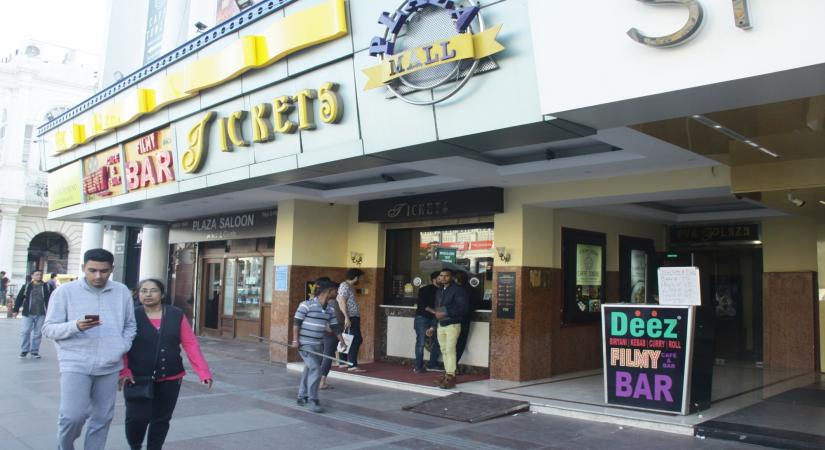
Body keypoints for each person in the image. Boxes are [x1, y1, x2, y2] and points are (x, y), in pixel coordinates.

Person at [42, 248, 137, 450]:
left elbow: (130, 325)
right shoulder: (64, 292)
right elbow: (48, 329)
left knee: (103, 417)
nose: (98, 276)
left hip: (110, 364)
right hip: (75, 363)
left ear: (112, 269)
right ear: (83, 267)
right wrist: (75, 326)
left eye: (104, 271)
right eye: (92, 270)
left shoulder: (121, 291)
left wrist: (122, 346)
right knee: (72, 416)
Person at [119, 279, 213, 450]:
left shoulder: (176, 314)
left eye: (153, 290)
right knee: (136, 418)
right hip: (137, 377)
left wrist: (203, 372)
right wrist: (124, 371)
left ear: (162, 294)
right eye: (143, 290)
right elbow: (123, 346)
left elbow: (190, 344)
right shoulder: (131, 315)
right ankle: (135, 446)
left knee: (161, 419)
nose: (148, 294)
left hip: (171, 376)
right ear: (138, 294)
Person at [293, 279, 343, 413]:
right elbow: (296, 323)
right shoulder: (306, 305)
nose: (337, 293)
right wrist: (295, 340)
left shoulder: (330, 309)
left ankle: (301, 396)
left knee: (309, 369)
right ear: (329, 291)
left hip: (318, 345)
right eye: (335, 290)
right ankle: (313, 400)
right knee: (316, 369)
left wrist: (342, 340)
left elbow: (335, 326)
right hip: (305, 345)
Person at [426, 269, 468, 389]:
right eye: (441, 276)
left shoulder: (459, 290)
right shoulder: (440, 291)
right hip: (441, 325)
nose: (443, 278)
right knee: (444, 350)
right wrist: (433, 326)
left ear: (452, 277)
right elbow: (437, 310)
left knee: (450, 349)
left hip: (452, 324)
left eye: (446, 276)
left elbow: (462, 308)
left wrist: (445, 313)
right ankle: (447, 374)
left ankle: (451, 376)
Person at [14, 269, 53, 359]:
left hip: (42, 313)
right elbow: (19, 298)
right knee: (25, 332)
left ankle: (34, 351)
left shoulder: (47, 286)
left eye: (40, 274)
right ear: (32, 276)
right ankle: (24, 350)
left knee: (37, 333)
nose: (39, 276)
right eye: (36, 274)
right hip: (28, 313)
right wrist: (15, 309)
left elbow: (52, 299)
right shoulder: (27, 286)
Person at [314, 277, 342, 390]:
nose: (337, 293)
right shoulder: (331, 303)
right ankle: (322, 381)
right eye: (336, 291)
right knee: (327, 357)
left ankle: (316, 380)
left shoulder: (315, 301)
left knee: (320, 357)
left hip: (320, 334)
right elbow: (335, 320)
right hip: (329, 334)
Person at [337, 268, 366, 372]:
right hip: (351, 317)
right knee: (356, 339)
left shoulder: (349, 286)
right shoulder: (345, 286)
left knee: (347, 338)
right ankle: (352, 365)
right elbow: (341, 301)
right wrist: (346, 317)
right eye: (360, 277)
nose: (361, 280)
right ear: (356, 277)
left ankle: (343, 362)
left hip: (352, 316)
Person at [413, 271, 442, 373]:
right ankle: (418, 367)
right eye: (440, 277)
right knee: (421, 342)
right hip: (423, 318)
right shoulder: (425, 289)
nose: (442, 279)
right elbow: (423, 305)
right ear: (434, 279)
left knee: (438, 341)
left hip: (435, 319)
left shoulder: (443, 290)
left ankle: (432, 364)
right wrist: (436, 312)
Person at [454, 271, 480, 364]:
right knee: (460, 342)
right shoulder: (471, 290)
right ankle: (453, 365)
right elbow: (475, 304)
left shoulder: (453, 290)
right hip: (465, 319)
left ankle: (451, 366)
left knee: (451, 343)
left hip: (453, 319)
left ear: (456, 279)